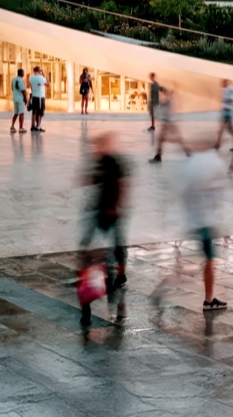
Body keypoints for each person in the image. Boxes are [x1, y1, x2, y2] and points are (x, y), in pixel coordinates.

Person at [161, 139, 229, 311]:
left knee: (206, 262)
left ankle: (207, 297)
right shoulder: (197, 171)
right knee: (208, 261)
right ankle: (207, 299)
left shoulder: (190, 169)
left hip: (197, 221)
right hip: (203, 223)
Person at [81, 132, 130, 323]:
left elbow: (120, 185)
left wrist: (115, 207)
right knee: (96, 247)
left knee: (115, 246)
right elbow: (94, 180)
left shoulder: (113, 162)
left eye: (98, 145)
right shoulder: (101, 161)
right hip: (100, 210)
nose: (95, 149)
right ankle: (109, 280)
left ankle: (118, 275)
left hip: (110, 211)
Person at [151, 87, 183, 162]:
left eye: (161, 92)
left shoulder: (167, 99)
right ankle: (187, 152)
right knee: (162, 139)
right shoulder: (169, 99)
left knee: (161, 139)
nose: (161, 94)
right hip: (169, 122)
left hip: (167, 122)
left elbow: (161, 104)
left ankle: (158, 157)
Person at [215, 79, 233, 149]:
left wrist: (225, 99)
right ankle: (218, 145)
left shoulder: (232, 89)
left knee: (228, 129)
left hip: (229, 112)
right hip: (225, 111)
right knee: (223, 129)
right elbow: (222, 100)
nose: (222, 84)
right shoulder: (223, 90)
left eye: (223, 83)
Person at [28, 66, 47, 131]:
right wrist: (43, 75)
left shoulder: (31, 78)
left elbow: (32, 85)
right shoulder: (41, 78)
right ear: (39, 71)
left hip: (34, 96)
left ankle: (32, 126)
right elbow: (48, 84)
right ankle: (38, 126)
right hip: (40, 97)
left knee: (33, 112)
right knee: (40, 112)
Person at [10, 68, 28, 133]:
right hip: (20, 98)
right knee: (21, 113)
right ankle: (21, 127)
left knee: (16, 113)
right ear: (21, 73)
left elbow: (12, 88)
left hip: (15, 98)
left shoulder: (14, 79)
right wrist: (26, 100)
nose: (24, 74)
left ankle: (12, 126)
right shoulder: (21, 80)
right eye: (23, 72)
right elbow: (23, 91)